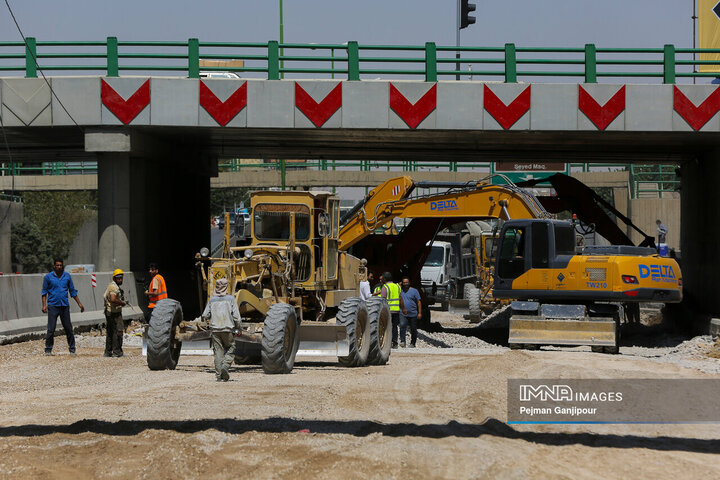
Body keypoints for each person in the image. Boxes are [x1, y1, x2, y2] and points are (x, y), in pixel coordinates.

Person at [41, 258, 85, 356]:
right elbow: (44, 292)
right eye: (57, 265)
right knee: (51, 329)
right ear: (54, 266)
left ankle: (72, 349)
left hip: (64, 306)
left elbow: (72, 291)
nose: (59, 267)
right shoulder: (48, 277)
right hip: (53, 306)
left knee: (68, 328)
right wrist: (44, 305)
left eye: (61, 265)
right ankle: (48, 350)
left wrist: (79, 304)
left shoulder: (67, 276)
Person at [202, 278, 242, 381]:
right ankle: (225, 366)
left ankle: (219, 376)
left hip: (215, 330)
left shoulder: (212, 299)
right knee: (231, 348)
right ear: (226, 287)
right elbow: (237, 317)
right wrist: (239, 328)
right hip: (228, 329)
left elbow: (205, 315)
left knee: (218, 352)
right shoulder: (231, 299)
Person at [375, 272, 404, 348]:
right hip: (396, 310)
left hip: (388, 311)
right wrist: (403, 308)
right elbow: (400, 298)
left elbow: (383, 300)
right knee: (394, 327)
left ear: (384, 279)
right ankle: (395, 343)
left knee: (386, 327)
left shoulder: (385, 287)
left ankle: (387, 343)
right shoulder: (397, 286)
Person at [103, 269, 127, 358]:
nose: (120, 280)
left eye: (121, 278)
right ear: (114, 278)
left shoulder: (114, 286)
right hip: (113, 313)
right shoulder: (114, 287)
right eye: (118, 278)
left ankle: (108, 352)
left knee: (110, 331)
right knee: (118, 332)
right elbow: (113, 299)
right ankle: (117, 352)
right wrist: (122, 303)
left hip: (110, 312)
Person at [399, 276, 422, 348]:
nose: (405, 284)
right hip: (403, 312)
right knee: (402, 326)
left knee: (413, 328)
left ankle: (413, 343)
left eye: (406, 282)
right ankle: (403, 341)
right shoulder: (400, 290)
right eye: (404, 282)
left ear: (409, 283)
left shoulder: (414, 291)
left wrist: (419, 313)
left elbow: (419, 302)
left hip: (413, 313)